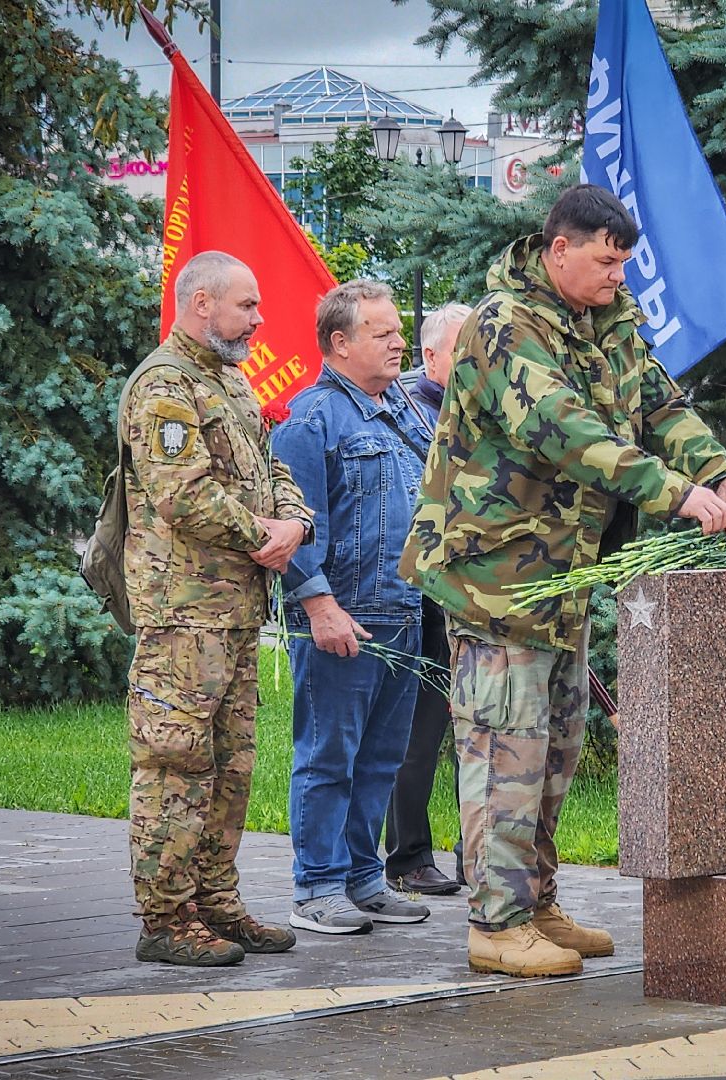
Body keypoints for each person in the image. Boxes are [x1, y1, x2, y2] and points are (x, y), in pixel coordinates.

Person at [401, 184, 726, 978]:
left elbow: (660, 406)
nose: (617, 277)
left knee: (554, 750)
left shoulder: (608, 320)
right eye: (606, 261)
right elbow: (562, 430)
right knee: (507, 748)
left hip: (561, 577)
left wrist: (719, 473)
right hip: (496, 575)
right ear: (558, 249)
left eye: (624, 263)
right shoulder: (504, 325)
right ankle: (495, 925)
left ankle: (533, 902)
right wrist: (673, 492)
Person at [121, 250, 313, 966]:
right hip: (184, 615)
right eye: (247, 305)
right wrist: (263, 534)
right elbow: (183, 495)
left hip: (233, 611)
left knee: (229, 767)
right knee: (175, 764)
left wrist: (294, 522)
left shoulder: (228, 381)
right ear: (202, 303)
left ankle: (216, 903)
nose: (260, 320)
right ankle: (165, 918)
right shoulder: (166, 384)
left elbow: (272, 467)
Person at [272, 280, 436, 935]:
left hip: (403, 613)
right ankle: (315, 889)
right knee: (328, 757)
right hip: (343, 618)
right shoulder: (312, 419)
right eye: (382, 332)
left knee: (381, 760)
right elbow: (292, 525)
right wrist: (319, 606)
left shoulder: (402, 412)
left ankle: (364, 878)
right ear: (339, 343)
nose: (399, 341)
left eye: (398, 330)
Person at [385, 302, 474, 897]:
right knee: (417, 736)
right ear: (432, 356)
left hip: (476, 596)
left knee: (482, 732)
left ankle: (481, 855)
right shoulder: (413, 412)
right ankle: (409, 856)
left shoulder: (484, 408)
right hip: (423, 600)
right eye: (464, 348)